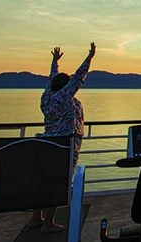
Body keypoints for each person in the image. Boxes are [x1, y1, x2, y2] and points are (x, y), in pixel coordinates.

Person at [30, 42, 95, 233]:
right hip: (63, 144)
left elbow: (52, 78)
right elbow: (78, 78)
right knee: (58, 181)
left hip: (47, 142)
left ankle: (36, 218)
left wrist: (54, 62)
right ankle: (49, 222)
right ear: (66, 87)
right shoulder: (64, 96)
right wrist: (90, 57)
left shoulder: (48, 96)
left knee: (45, 180)